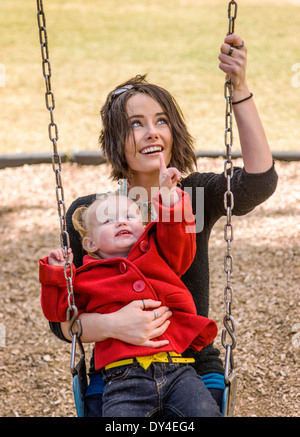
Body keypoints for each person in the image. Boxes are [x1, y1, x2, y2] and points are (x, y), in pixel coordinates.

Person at [48, 33, 278, 415]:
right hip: (116, 375)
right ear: (116, 141)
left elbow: (259, 182)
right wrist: (115, 325)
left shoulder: (195, 195)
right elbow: (63, 321)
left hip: (193, 368)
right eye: (136, 123)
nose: (151, 131)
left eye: (161, 121)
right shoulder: (92, 214)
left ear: (174, 133)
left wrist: (239, 88)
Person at [39, 155, 221, 417]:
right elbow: (60, 313)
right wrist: (57, 273)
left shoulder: (160, 255)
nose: (122, 222)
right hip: (122, 378)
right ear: (90, 244)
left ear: (144, 226)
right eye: (108, 220)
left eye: (129, 216)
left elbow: (178, 237)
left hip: (178, 370)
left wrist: (169, 199)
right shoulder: (86, 277)